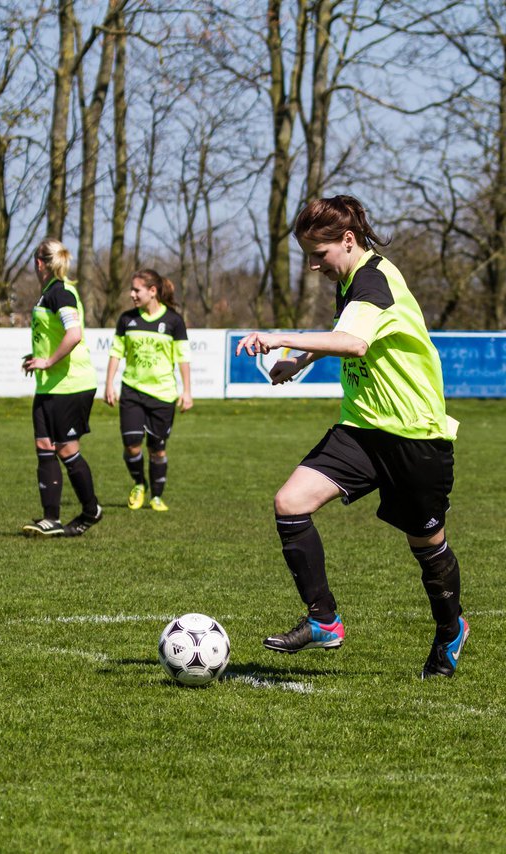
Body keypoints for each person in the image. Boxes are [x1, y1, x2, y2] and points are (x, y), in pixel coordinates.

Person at [235, 195, 468, 679]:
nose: (314, 265)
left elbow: (355, 342)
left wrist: (283, 339)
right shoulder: (352, 279)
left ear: (348, 240)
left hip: (414, 434)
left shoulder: (374, 280)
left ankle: (450, 630)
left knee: (427, 546)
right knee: (290, 502)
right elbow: (347, 335)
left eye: (319, 254)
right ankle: (324, 619)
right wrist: (301, 362)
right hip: (361, 428)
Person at [21, 238, 103, 537]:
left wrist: (49, 361)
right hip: (50, 385)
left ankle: (91, 509)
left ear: (38, 263)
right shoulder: (46, 295)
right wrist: (37, 359)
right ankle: (51, 519)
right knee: (44, 446)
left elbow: (74, 333)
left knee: (66, 449)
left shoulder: (61, 292)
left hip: (71, 384)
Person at [105, 269, 193, 512]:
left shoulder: (174, 321)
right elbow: (116, 353)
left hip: (163, 394)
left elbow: (183, 357)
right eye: (131, 290)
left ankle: (157, 496)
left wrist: (187, 391)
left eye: (136, 290)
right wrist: (109, 384)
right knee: (132, 444)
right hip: (132, 391)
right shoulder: (126, 320)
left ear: (152, 291)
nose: (132, 294)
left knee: (157, 449)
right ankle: (139, 484)